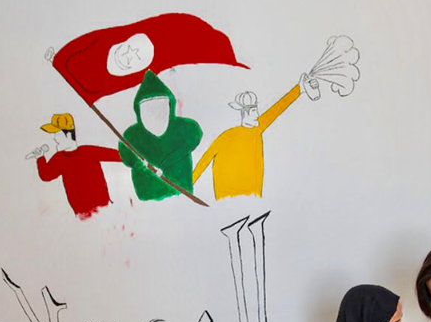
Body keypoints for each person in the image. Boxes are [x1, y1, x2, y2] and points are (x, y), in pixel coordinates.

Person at [192, 73, 318, 200]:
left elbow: (277, 109)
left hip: (252, 197)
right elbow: (205, 158)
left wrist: (300, 88)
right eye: (253, 111)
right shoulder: (227, 136)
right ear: (244, 112)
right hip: (227, 196)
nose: (257, 114)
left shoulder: (257, 129)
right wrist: (189, 183)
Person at [119, 70, 203, 201]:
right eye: (149, 108)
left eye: (160, 106)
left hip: (182, 195)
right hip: (146, 198)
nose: (155, 113)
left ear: (170, 106)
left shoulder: (184, 129)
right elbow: (127, 159)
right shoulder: (132, 136)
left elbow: (196, 137)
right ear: (139, 110)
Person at [31, 113, 121, 220]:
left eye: (57, 134)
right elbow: (46, 175)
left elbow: (118, 155)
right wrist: (40, 158)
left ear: (68, 135)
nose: (54, 139)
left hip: (104, 210)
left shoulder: (89, 151)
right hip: (81, 215)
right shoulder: (59, 158)